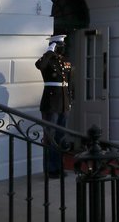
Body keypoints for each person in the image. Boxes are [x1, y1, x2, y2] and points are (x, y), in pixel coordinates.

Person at [35, 34, 74, 178]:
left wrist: (69, 100)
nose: (63, 47)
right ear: (54, 45)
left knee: (61, 137)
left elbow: (69, 82)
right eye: (59, 45)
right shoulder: (47, 60)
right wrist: (49, 51)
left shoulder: (65, 61)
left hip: (64, 102)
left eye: (63, 45)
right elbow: (40, 66)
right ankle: (51, 169)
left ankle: (59, 166)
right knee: (50, 136)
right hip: (51, 103)